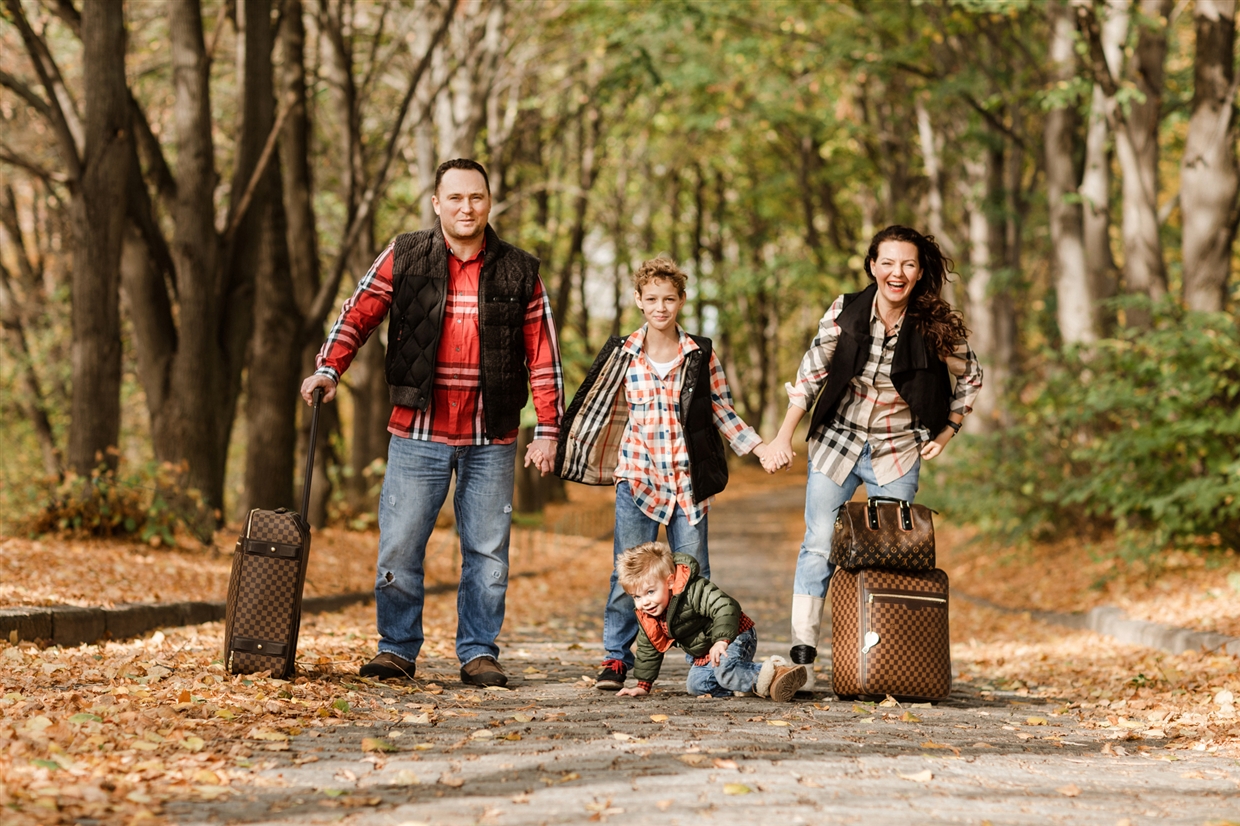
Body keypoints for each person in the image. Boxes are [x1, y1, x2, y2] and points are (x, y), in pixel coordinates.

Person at [300, 159, 564, 688]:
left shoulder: (520, 270)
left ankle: (478, 653)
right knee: (400, 544)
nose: (467, 208)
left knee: (487, 551)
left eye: (477, 198)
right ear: (437, 203)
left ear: (490, 202)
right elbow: (359, 313)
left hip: (491, 433)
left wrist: (549, 428)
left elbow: (542, 354)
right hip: (418, 429)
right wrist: (330, 367)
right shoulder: (407, 254)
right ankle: (396, 649)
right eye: (456, 198)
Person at [763, 225, 983, 688]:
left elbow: (972, 377)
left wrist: (948, 431)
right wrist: (783, 436)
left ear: (919, 272)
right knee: (819, 543)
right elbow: (810, 374)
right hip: (838, 441)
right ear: (872, 266)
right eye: (887, 262)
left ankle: (883, 660)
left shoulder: (934, 325)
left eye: (907, 264)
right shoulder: (846, 311)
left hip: (897, 449)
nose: (896, 272)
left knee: (891, 557)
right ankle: (803, 654)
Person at [554, 257, 771, 691]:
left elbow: (721, 410)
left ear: (681, 301)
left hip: (687, 484)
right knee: (627, 576)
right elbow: (597, 410)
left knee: (693, 577)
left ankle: (707, 661)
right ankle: (617, 657)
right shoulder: (624, 353)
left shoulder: (699, 354)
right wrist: (560, 448)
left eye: (669, 299)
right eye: (651, 298)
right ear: (638, 300)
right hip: (637, 480)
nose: (660, 307)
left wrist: (759, 447)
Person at [613, 542, 807, 701]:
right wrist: (643, 685)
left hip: (734, 634)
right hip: (707, 650)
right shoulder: (649, 615)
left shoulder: (694, 590)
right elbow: (649, 648)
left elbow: (726, 606)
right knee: (697, 686)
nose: (644, 602)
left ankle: (779, 673)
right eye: (636, 597)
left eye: (650, 592)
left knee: (725, 670)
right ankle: (755, 683)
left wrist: (722, 640)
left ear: (670, 581)